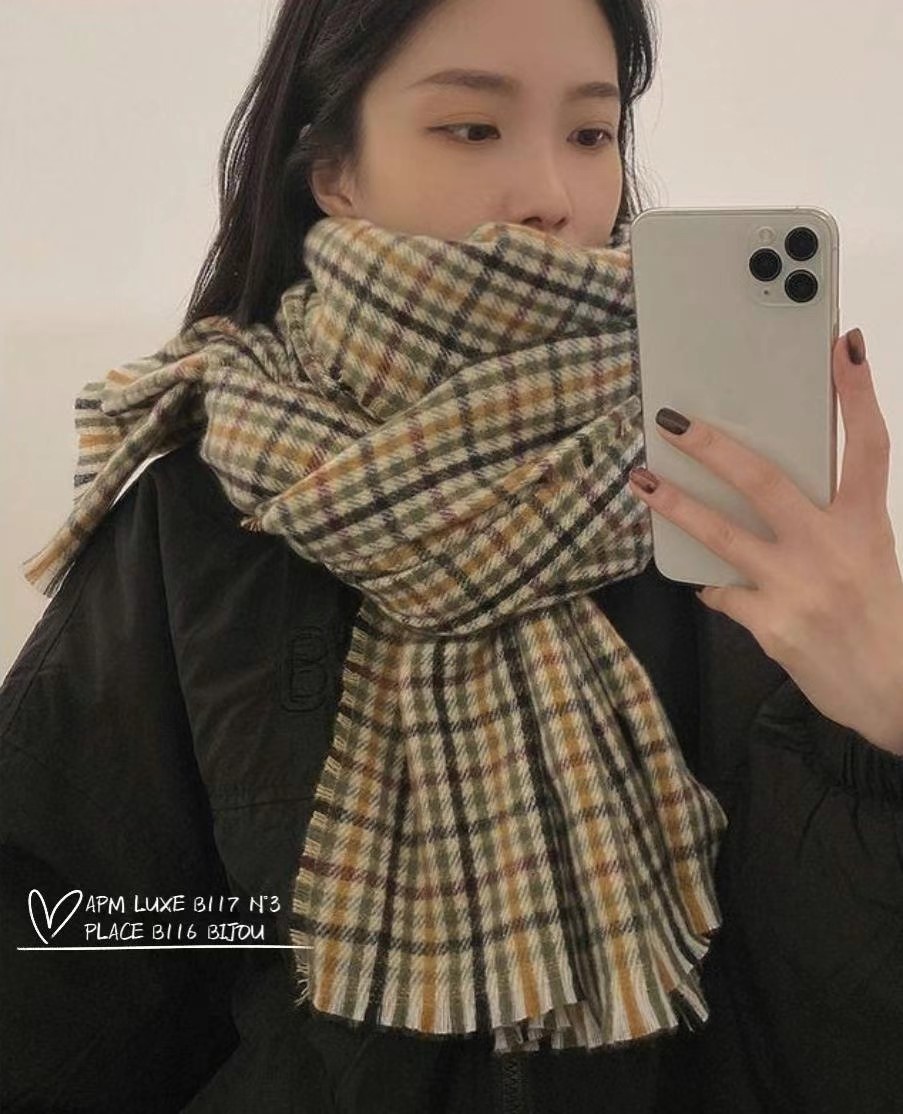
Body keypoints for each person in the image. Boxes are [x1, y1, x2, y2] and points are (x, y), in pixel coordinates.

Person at [2, 0, 902, 1111]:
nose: (553, 193)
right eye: (472, 128)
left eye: (591, 132)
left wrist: (884, 728)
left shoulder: (727, 510)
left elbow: (831, 1023)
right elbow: (71, 965)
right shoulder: (199, 514)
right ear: (334, 172)